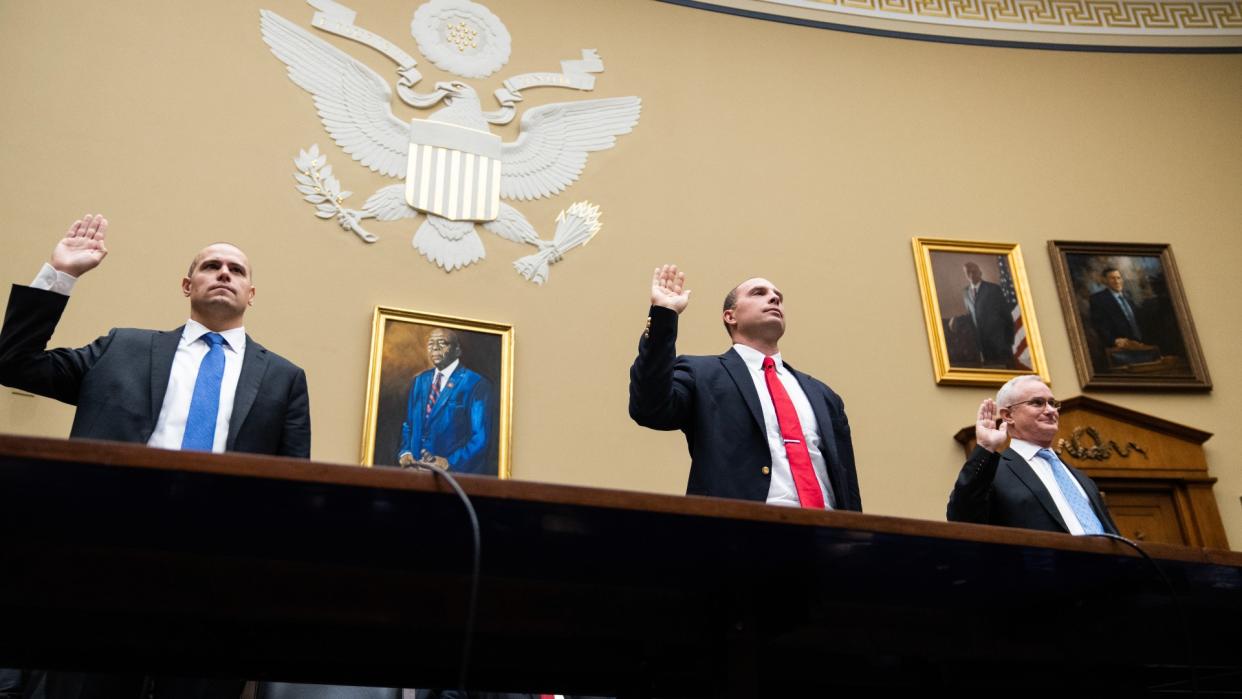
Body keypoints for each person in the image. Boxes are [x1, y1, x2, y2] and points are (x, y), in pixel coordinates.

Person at [0, 213, 311, 698]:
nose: (224, 273)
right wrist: (62, 274)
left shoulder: (284, 379)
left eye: (237, 269)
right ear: (188, 285)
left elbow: (292, 495)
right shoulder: (122, 348)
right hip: (102, 566)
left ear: (251, 294)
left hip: (218, 583)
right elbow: (15, 364)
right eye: (211, 266)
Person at [628, 264, 861, 510]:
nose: (774, 298)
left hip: (828, 534)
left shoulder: (823, 395)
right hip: (741, 534)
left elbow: (847, 481)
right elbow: (649, 407)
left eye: (778, 297)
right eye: (758, 293)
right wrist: (664, 314)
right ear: (731, 316)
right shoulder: (703, 374)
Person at [947, 375, 1118, 535]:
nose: (1051, 410)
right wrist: (985, 447)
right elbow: (961, 518)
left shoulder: (1080, 477)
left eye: (1052, 403)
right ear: (1008, 415)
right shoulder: (994, 472)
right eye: (1037, 403)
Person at [397, 327, 494, 474]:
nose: (435, 347)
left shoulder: (476, 384)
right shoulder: (420, 381)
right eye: (430, 343)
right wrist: (405, 452)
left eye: (442, 343)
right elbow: (409, 424)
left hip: (454, 478)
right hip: (416, 473)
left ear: (457, 350)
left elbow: (480, 439)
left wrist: (449, 462)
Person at [961, 261, 1014, 367]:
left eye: (974, 271)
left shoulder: (994, 289)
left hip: (999, 343)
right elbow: (971, 315)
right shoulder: (965, 292)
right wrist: (957, 320)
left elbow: (1006, 315)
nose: (971, 274)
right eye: (968, 272)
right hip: (981, 344)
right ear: (965, 275)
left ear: (980, 272)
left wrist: (1008, 341)